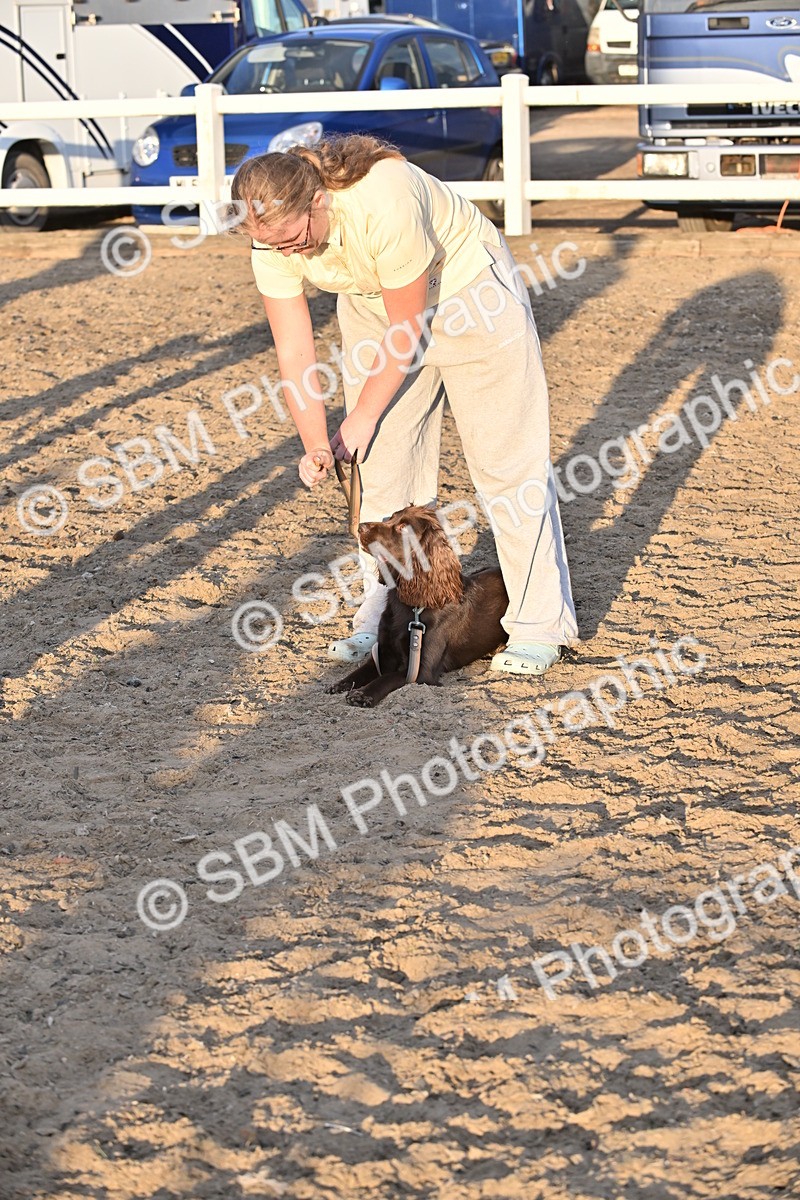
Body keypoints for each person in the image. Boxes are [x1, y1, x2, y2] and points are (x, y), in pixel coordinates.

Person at [230, 135, 578, 675]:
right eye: (269, 245)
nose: (285, 254)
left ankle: (539, 624)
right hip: (373, 308)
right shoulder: (273, 239)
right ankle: (389, 608)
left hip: (470, 296)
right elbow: (294, 347)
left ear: (318, 200)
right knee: (384, 474)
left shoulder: (383, 199)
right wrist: (317, 442)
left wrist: (362, 415)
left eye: (293, 239)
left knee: (505, 465)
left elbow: (409, 327)